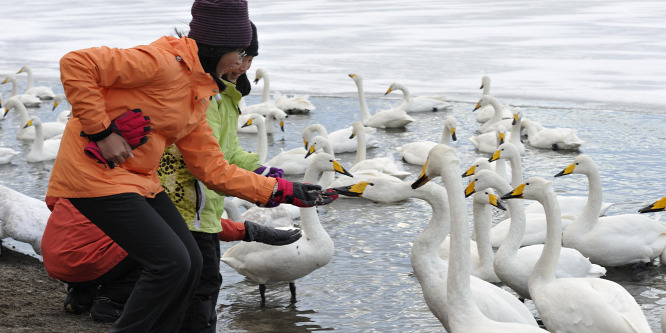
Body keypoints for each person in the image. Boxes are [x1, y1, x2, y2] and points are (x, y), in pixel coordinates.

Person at [39, 0, 337, 332]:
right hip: (94, 176)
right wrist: (102, 132)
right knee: (170, 262)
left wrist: (287, 191)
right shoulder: (162, 62)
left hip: (140, 180)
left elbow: (212, 169)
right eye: (239, 52)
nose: (242, 64)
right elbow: (76, 63)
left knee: (191, 262)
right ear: (217, 44)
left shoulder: (198, 94)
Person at [157, 21, 289, 332]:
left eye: (249, 60)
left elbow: (225, 151)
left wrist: (259, 169)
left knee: (195, 282)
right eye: (241, 57)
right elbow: (207, 162)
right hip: (190, 205)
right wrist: (267, 188)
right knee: (202, 284)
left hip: (202, 207)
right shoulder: (210, 97)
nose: (242, 67)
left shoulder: (225, 97)